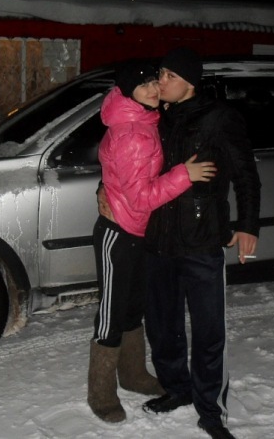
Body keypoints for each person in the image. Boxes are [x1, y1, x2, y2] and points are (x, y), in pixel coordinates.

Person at [88, 60, 217, 424]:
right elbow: (141, 197)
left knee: (133, 308)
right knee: (112, 313)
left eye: (153, 81)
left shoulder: (144, 118)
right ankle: (100, 393)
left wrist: (106, 185)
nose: (153, 88)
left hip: (136, 231)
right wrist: (184, 175)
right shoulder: (132, 133)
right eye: (143, 84)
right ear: (127, 91)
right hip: (119, 233)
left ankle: (132, 374)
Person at [142, 47, 260, 439]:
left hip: (202, 241)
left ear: (190, 83)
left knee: (209, 332)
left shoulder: (219, 117)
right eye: (160, 73)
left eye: (169, 76)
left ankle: (211, 410)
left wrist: (248, 225)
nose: (161, 81)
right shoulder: (155, 117)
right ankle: (178, 388)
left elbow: (245, 174)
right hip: (158, 239)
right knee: (162, 326)